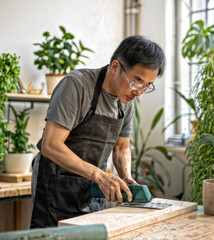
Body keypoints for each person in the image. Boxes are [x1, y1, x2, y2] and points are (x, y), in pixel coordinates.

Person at [30, 35, 165, 228]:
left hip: (92, 186)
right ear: (116, 67)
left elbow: (121, 148)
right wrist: (98, 175)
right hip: (55, 182)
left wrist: (125, 175)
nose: (138, 91)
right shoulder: (76, 85)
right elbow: (50, 145)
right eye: (136, 80)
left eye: (146, 86)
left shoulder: (125, 101)